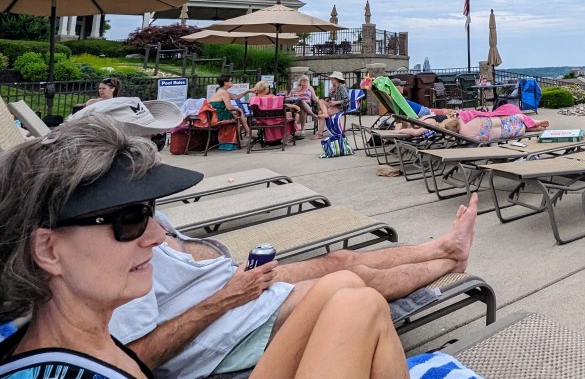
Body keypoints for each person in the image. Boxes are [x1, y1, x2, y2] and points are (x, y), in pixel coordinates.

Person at [0, 114, 409, 379]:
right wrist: (224, 299)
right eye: (129, 220)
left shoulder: (81, 339)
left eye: (151, 211)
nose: (156, 236)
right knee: (358, 300)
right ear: (48, 251)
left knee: (356, 297)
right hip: (224, 334)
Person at [109, 194, 478, 379]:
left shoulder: (137, 210)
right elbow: (136, 358)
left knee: (342, 263)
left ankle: (444, 249)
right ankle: (449, 262)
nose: (154, 232)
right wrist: (225, 298)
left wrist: (232, 281)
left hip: (236, 285)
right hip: (228, 319)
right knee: (358, 292)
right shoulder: (113, 267)